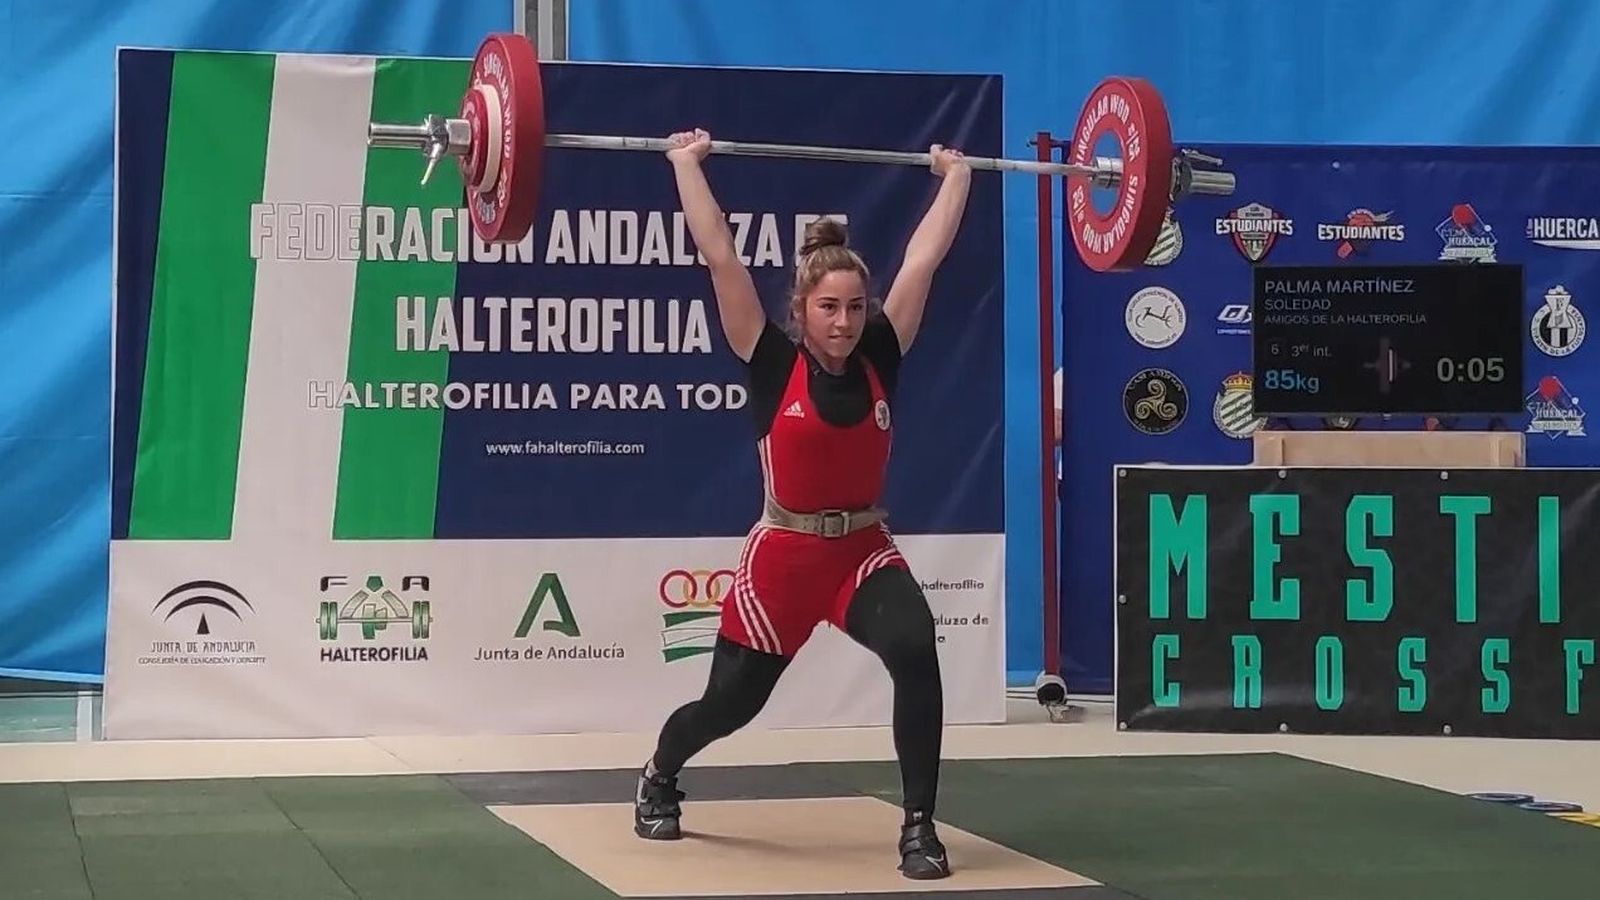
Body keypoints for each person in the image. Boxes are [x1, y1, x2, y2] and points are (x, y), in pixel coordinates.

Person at [633, 127, 972, 881]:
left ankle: (918, 827)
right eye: (829, 308)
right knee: (729, 708)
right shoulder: (768, 357)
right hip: (783, 558)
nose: (845, 323)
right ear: (804, 307)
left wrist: (957, 176)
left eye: (855, 307)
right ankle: (660, 769)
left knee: (916, 649)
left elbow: (924, 258)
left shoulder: (883, 352)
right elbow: (720, 253)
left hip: (860, 550)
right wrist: (685, 165)